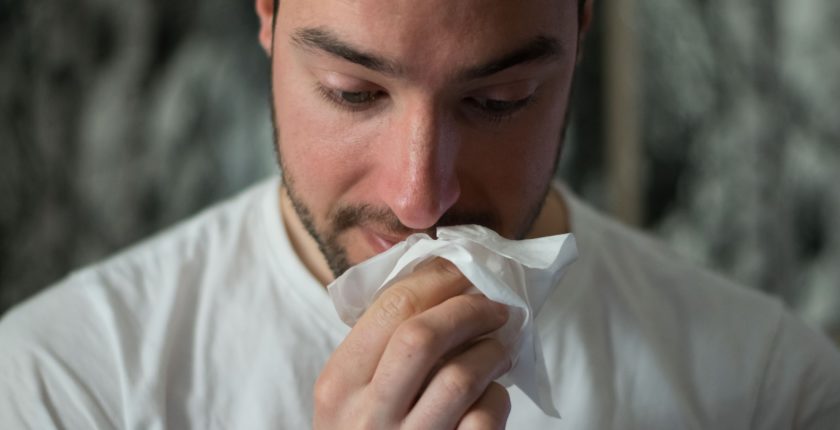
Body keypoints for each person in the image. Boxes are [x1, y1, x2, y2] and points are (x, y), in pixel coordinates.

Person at [1, 0, 839, 428]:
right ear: (267, 13)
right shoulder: (65, 388)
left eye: (499, 100)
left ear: (581, 28)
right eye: (354, 93)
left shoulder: (771, 389)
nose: (420, 198)